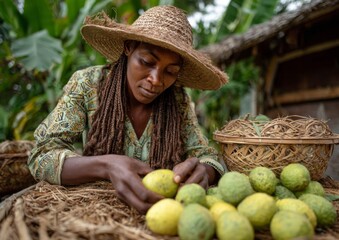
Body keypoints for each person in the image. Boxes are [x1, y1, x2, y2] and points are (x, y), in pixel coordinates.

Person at [28, 5, 228, 214]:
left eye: (170, 71)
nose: (156, 80)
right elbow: (41, 156)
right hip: (96, 213)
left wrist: (204, 170)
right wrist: (105, 166)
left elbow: (207, 156)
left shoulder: (178, 100)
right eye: (147, 62)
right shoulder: (88, 84)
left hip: (160, 214)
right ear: (129, 47)